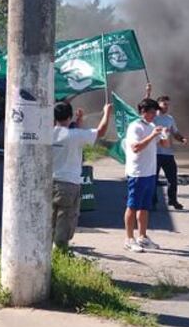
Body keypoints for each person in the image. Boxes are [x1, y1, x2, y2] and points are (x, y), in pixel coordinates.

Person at [52, 101, 112, 248]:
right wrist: (107, 113)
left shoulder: (47, 133)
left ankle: (47, 250)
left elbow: (70, 137)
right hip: (69, 183)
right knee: (65, 219)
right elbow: (101, 132)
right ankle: (60, 252)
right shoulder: (76, 135)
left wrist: (78, 122)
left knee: (50, 218)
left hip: (49, 182)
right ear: (69, 116)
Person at [123, 98, 169, 253]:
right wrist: (152, 135)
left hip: (150, 172)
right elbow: (136, 147)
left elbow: (164, 145)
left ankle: (142, 236)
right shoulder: (134, 127)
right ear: (143, 112)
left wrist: (164, 135)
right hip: (137, 172)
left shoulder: (152, 125)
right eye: (151, 112)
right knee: (132, 205)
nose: (153, 115)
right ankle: (129, 239)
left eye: (155, 113)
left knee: (144, 206)